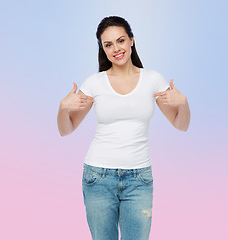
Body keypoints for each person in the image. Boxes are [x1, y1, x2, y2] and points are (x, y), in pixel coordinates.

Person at [57, 16, 190, 240]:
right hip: (98, 177)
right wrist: (62, 108)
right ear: (103, 49)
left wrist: (184, 103)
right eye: (108, 45)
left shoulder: (153, 80)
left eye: (120, 41)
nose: (116, 49)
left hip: (139, 180)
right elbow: (66, 129)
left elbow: (181, 125)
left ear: (131, 41)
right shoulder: (94, 83)